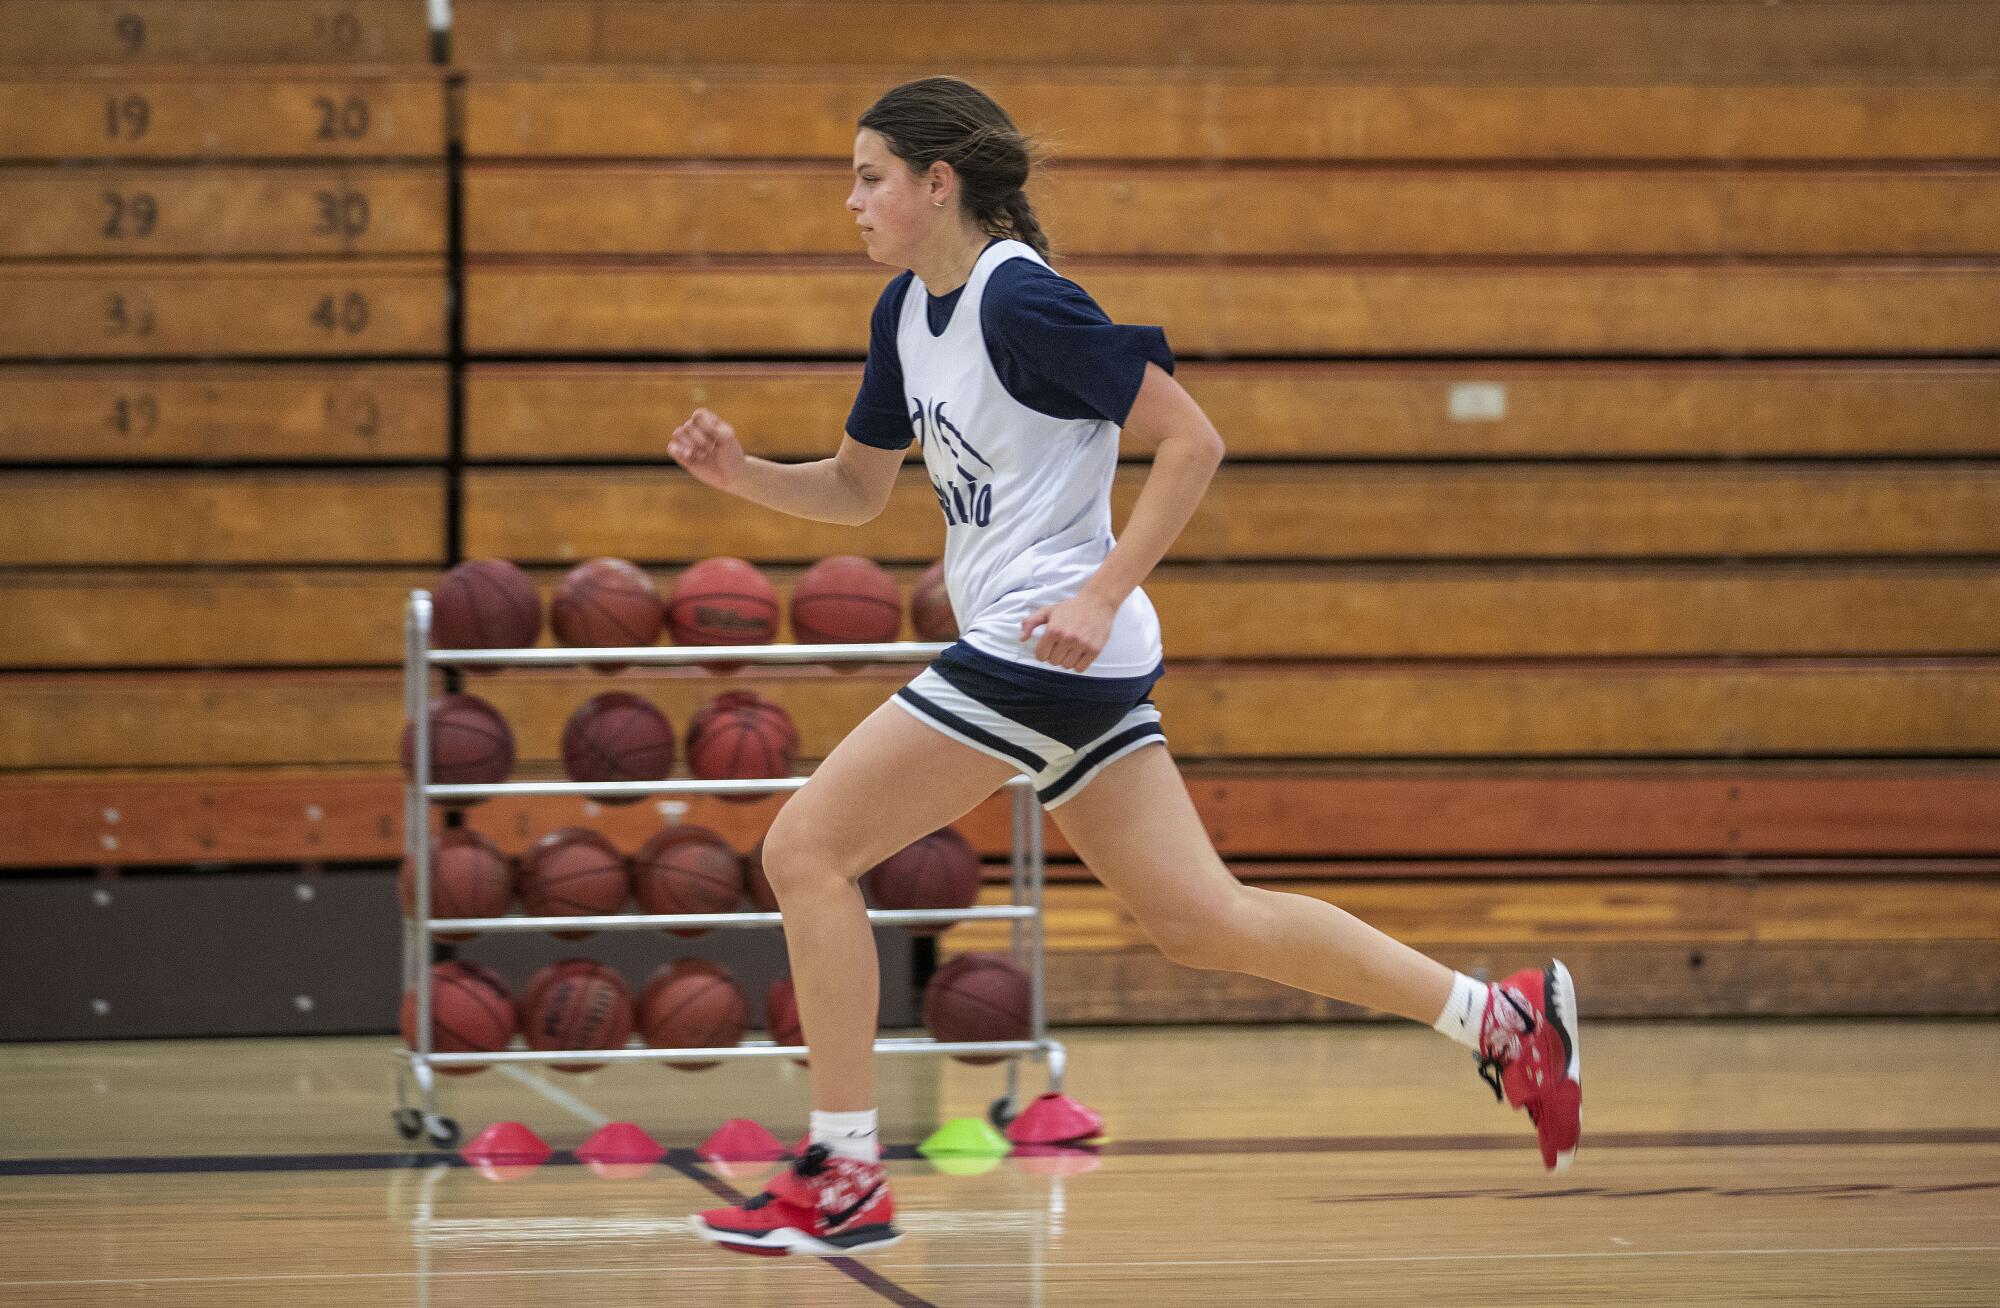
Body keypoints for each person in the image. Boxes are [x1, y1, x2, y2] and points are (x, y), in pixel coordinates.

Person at [671, 76, 1581, 1259]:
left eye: (867, 175)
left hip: (1044, 647)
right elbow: (855, 489)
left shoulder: (1025, 305)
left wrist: (1100, 593)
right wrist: (740, 477)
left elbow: (1192, 440)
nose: (848, 199)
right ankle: (1497, 1018)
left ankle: (842, 1175)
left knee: (804, 847)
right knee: (1202, 920)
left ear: (935, 184)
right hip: (1058, 659)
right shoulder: (905, 315)